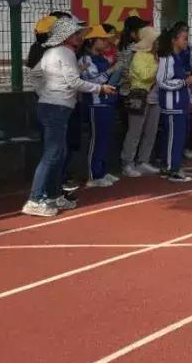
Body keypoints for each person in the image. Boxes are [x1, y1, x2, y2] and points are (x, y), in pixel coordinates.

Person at [23, 17, 115, 217]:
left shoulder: (52, 52)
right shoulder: (65, 52)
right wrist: (101, 88)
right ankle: (35, 199)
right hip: (56, 108)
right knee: (53, 154)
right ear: (66, 36)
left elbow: (35, 75)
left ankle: (54, 195)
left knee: (59, 153)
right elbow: (74, 82)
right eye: (76, 34)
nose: (80, 37)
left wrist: (44, 91)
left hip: (53, 106)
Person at [78, 26, 121, 187]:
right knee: (97, 139)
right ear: (91, 40)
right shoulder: (85, 59)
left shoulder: (102, 58)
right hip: (95, 104)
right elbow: (93, 81)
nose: (105, 42)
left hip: (107, 102)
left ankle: (101, 171)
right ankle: (93, 175)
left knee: (105, 139)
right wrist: (112, 70)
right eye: (102, 39)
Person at [120, 26, 162, 178]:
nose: (158, 43)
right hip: (139, 96)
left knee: (150, 132)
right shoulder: (138, 55)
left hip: (155, 98)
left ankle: (143, 161)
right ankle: (127, 163)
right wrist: (158, 68)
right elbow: (144, 76)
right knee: (135, 132)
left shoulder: (158, 56)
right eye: (155, 40)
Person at [156, 26, 192, 183]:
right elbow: (162, 81)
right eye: (184, 38)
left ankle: (170, 166)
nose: (186, 42)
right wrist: (184, 82)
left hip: (180, 104)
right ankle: (172, 169)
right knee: (174, 137)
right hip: (172, 105)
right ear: (174, 40)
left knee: (176, 136)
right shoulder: (168, 58)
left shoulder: (178, 58)